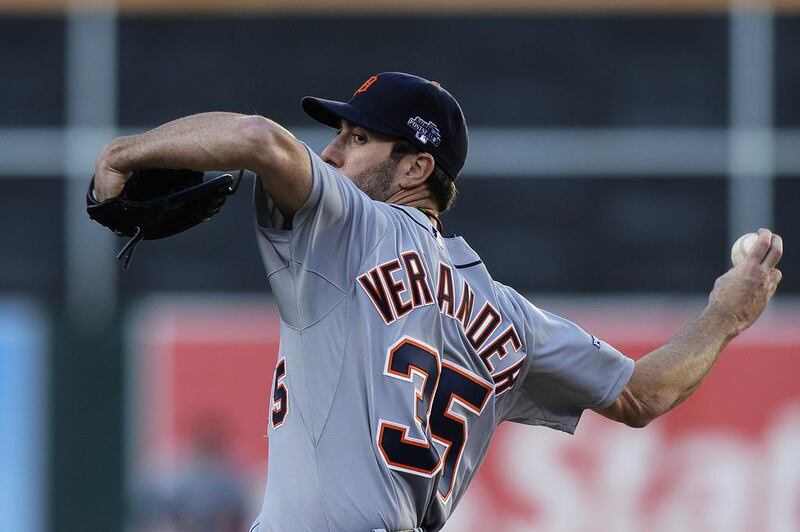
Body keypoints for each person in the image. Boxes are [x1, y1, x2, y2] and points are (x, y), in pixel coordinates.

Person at [93, 72, 783, 532]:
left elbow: (252, 138)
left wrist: (123, 154)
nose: (331, 154)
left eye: (357, 138)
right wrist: (727, 316)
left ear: (417, 168)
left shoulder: (352, 226)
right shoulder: (512, 319)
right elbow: (643, 394)